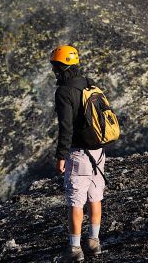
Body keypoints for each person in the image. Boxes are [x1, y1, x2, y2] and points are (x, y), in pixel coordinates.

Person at [51, 45, 105, 261]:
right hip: (98, 152)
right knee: (95, 197)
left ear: (60, 66)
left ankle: (74, 249)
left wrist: (61, 156)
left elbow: (66, 127)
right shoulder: (88, 84)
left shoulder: (64, 92)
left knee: (75, 201)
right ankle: (94, 242)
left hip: (78, 154)